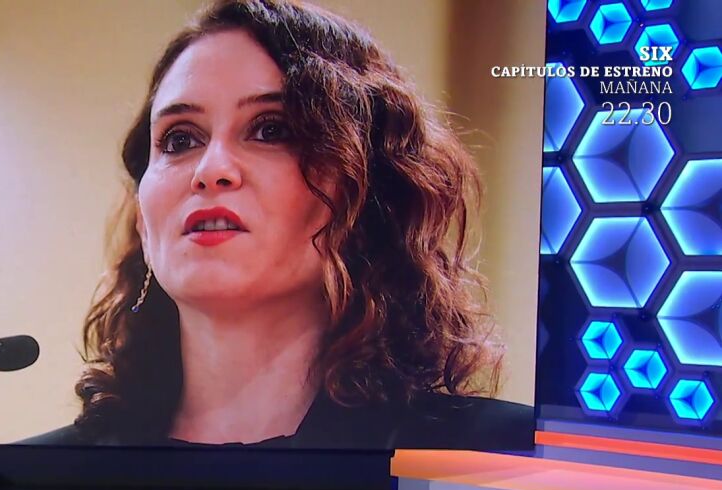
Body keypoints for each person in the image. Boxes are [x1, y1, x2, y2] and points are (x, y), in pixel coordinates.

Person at [26, 0, 531, 450]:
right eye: (180, 140)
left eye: (271, 130)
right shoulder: (38, 486)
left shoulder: (493, 460)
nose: (211, 170)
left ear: (367, 194)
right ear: (143, 217)